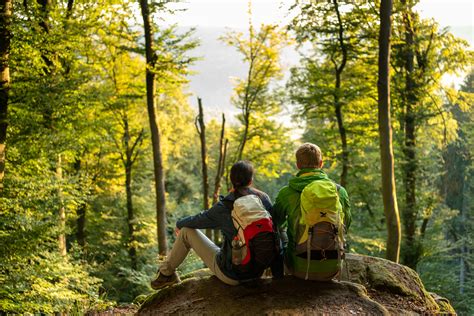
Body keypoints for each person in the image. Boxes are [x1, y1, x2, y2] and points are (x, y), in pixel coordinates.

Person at [151, 160, 280, 290]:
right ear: (251, 181)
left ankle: (165, 274)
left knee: (185, 232)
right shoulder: (263, 199)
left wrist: (179, 224)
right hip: (258, 271)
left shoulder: (225, 206)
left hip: (232, 275)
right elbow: (276, 231)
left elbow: (197, 220)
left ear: (231, 180)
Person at [273, 143, 351, 280]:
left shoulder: (286, 193)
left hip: (298, 268)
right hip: (333, 267)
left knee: (281, 231)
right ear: (321, 164)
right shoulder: (339, 192)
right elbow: (347, 223)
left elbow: (275, 222)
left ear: (298, 165)